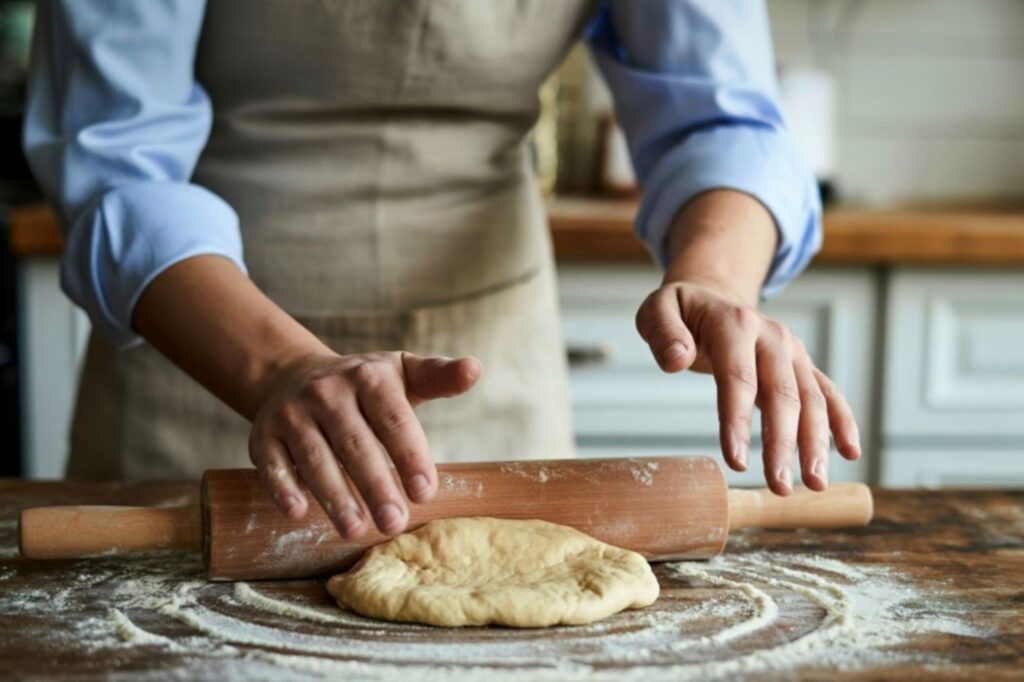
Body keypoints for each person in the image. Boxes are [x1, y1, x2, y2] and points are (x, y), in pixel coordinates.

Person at [24, 1, 860, 541]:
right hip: (205, 354)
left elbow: (719, 118)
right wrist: (280, 366)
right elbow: (118, 161)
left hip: (488, 364)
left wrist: (714, 277)